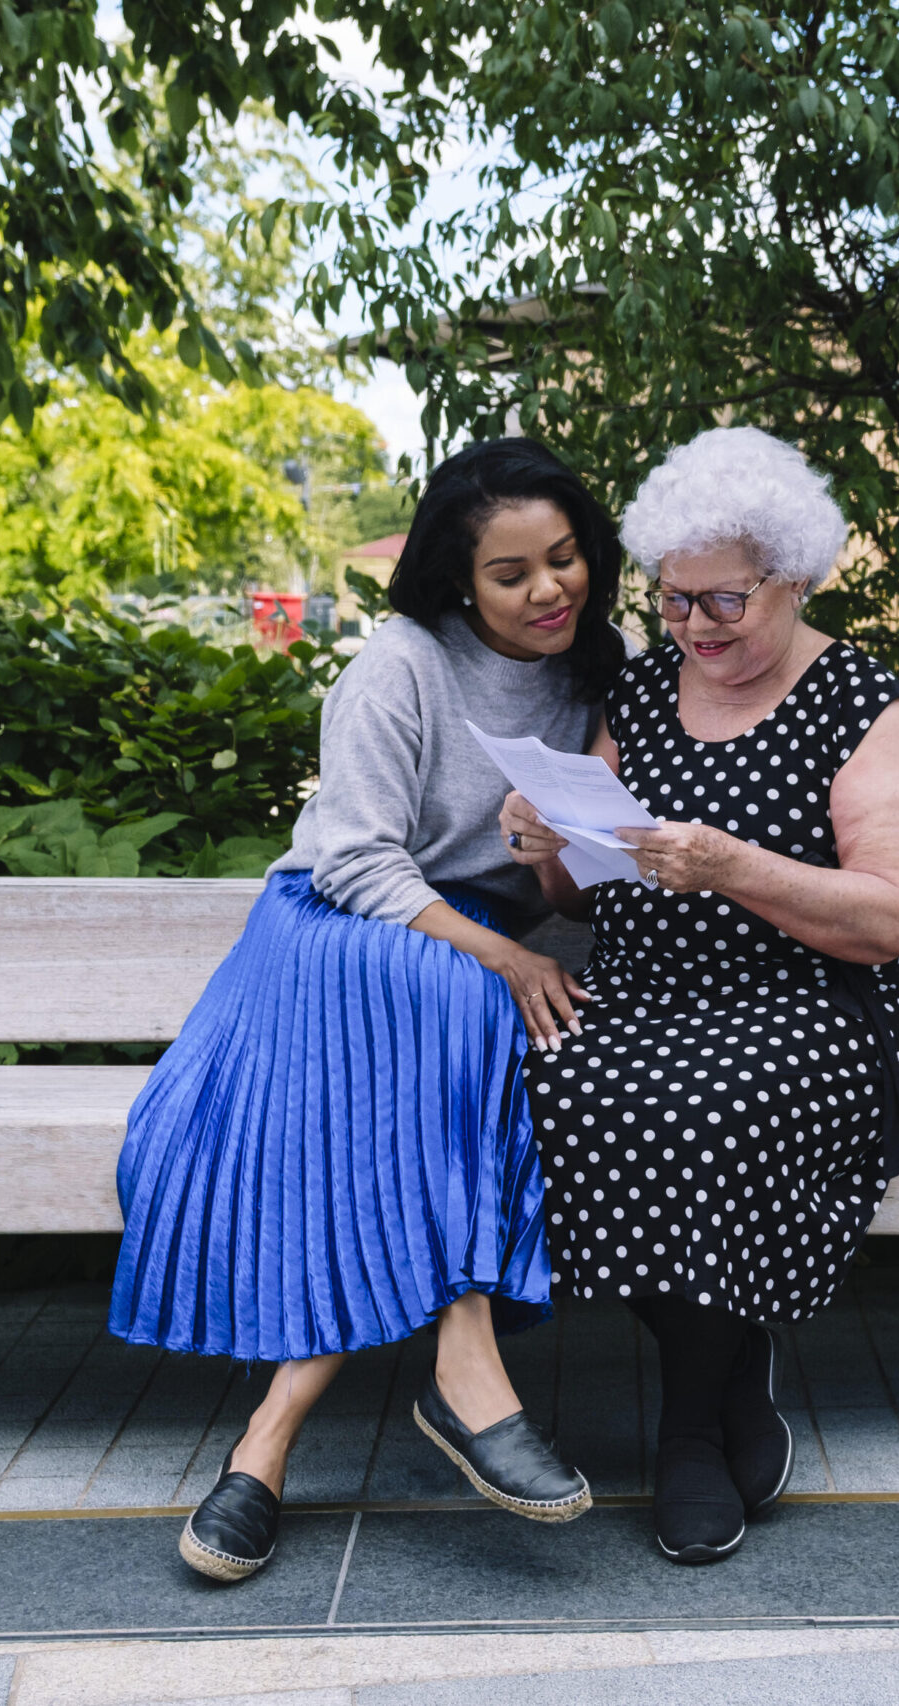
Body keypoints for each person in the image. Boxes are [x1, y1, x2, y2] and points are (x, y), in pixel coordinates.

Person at [111, 438, 628, 1583]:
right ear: (457, 580)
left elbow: (603, 852)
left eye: (565, 556)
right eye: (511, 573)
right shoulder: (399, 665)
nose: (550, 588)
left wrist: (557, 878)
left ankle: (264, 1445)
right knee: (462, 1000)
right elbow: (351, 860)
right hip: (336, 933)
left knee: (405, 1095)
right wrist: (499, 951)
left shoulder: (608, 664)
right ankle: (466, 1375)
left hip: (465, 960)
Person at [503, 426, 899, 1565]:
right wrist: (543, 843)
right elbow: (585, 876)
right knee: (547, 1082)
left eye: (724, 604)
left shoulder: (862, 705)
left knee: (709, 1104)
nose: (696, 628)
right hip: (651, 991)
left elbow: (896, 916)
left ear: (792, 581)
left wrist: (734, 867)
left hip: (825, 1002)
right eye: (674, 603)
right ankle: (734, 1377)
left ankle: (692, 1432)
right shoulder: (646, 691)